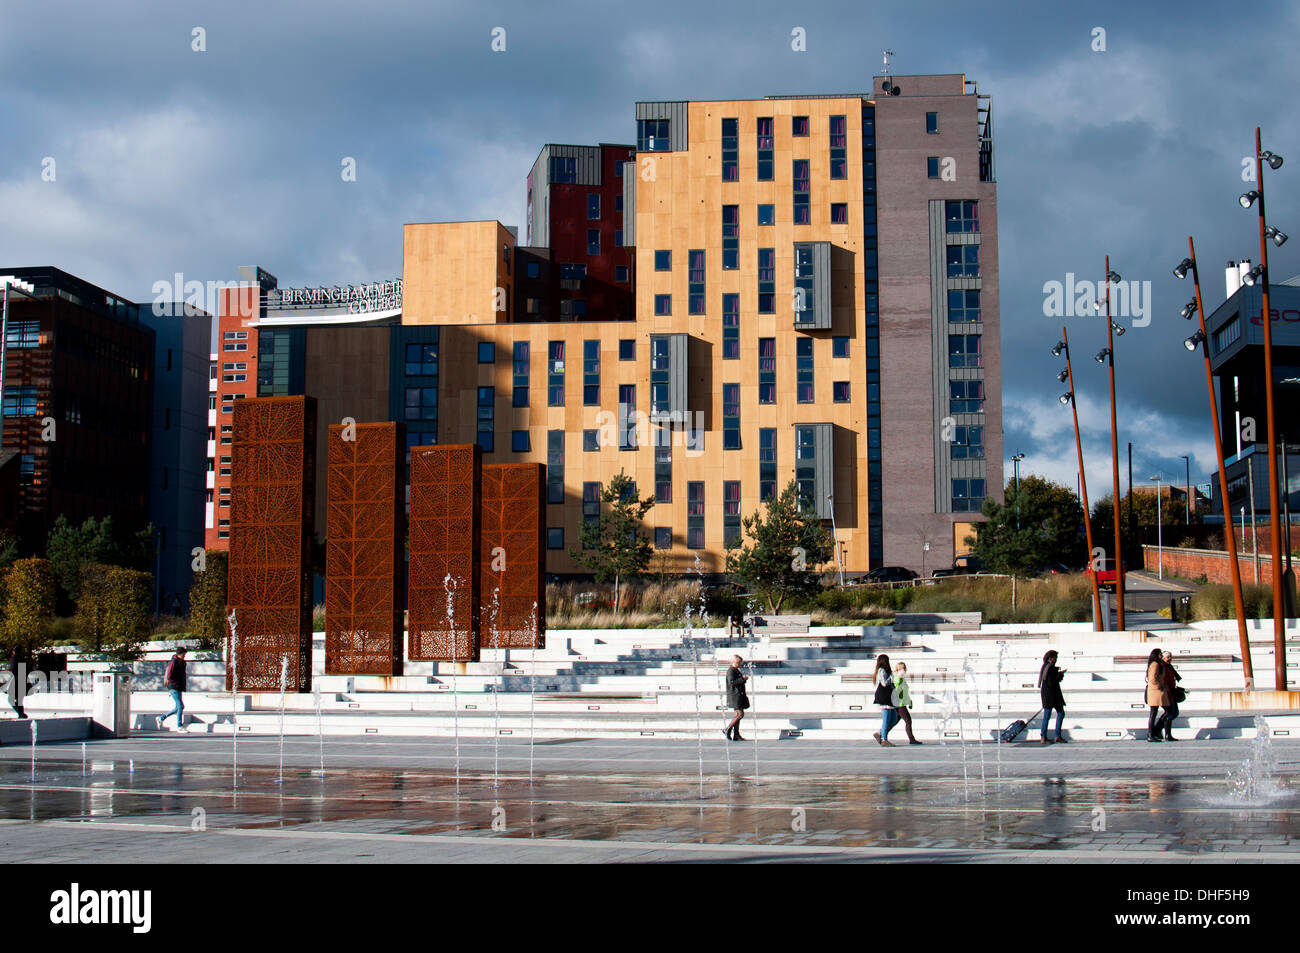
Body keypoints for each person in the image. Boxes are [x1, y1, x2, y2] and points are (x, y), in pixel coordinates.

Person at [1038, 650, 1068, 744]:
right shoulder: (1049, 667)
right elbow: (1051, 682)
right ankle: (1051, 736)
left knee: (1052, 714)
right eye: (1055, 657)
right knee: (1054, 714)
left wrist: (1058, 674)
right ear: (1051, 658)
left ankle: (1046, 736)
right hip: (1051, 695)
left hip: (1049, 694)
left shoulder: (1046, 666)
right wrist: (1059, 675)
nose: (1056, 659)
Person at [872, 653, 899, 747]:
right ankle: (884, 739)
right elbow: (884, 683)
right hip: (884, 698)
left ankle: (879, 733)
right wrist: (891, 677)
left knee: (894, 718)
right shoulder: (881, 671)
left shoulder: (886, 671)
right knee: (886, 719)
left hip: (890, 698)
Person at [159, 646, 188, 731]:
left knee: (178, 707)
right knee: (180, 706)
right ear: (179, 654)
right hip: (174, 687)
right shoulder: (173, 662)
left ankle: (161, 718)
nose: (184, 656)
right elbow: (169, 676)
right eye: (183, 654)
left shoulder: (182, 663)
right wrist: (174, 683)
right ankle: (179, 726)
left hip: (178, 687)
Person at [1145, 648, 1170, 742]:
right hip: (1156, 691)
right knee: (1156, 712)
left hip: (1156, 691)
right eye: (1160, 654)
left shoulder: (1156, 664)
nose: (1161, 656)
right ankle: (1152, 733)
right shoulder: (1155, 664)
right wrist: (1160, 685)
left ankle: (1153, 732)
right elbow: (1152, 678)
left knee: (1156, 712)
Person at [893, 662, 921, 744]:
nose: (905, 670)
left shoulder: (901, 679)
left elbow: (904, 692)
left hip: (902, 703)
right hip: (900, 704)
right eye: (903, 669)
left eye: (905, 668)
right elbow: (897, 692)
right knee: (908, 720)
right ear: (899, 669)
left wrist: (909, 701)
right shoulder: (897, 679)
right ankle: (912, 739)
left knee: (894, 721)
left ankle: (881, 733)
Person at [724, 655, 749, 741]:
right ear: (735, 662)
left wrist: (742, 679)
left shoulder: (735, 670)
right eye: (739, 662)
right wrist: (742, 679)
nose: (740, 664)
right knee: (740, 714)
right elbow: (732, 682)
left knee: (738, 715)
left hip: (738, 695)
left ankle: (736, 734)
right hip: (735, 696)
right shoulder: (731, 671)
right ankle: (727, 729)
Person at [1161, 650, 1183, 742]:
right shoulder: (1163, 667)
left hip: (1171, 692)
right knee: (1171, 713)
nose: (1169, 659)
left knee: (1173, 713)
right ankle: (1165, 733)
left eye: (1170, 657)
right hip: (1167, 693)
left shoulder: (1169, 667)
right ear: (1163, 658)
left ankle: (1161, 731)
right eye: (1167, 657)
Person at [7, 646, 28, 720]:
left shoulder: (14, 659)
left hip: (16, 681)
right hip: (23, 681)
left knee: (10, 699)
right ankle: (21, 714)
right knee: (19, 700)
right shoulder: (24, 659)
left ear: (14, 651)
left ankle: (20, 713)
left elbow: (13, 671)